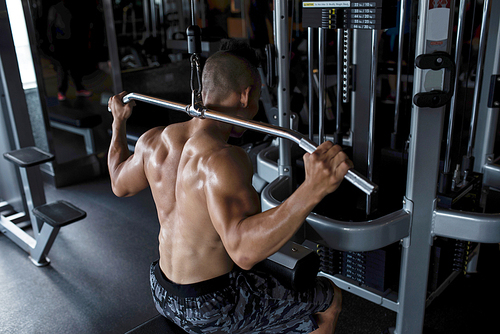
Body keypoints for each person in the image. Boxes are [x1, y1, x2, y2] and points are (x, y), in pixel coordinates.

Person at [107, 41, 352, 333]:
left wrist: (118, 123)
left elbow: (118, 183)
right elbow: (244, 252)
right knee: (329, 296)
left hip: (161, 290)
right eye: (258, 98)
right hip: (210, 309)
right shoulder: (223, 159)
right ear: (246, 96)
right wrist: (312, 189)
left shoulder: (152, 141)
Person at [47, 0, 93, 101]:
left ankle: (79, 89)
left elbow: (77, 24)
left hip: (72, 41)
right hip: (60, 43)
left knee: (75, 66)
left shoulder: (72, 7)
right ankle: (61, 91)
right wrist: (51, 44)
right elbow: (50, 27)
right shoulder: (55, 8)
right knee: (62, 68)